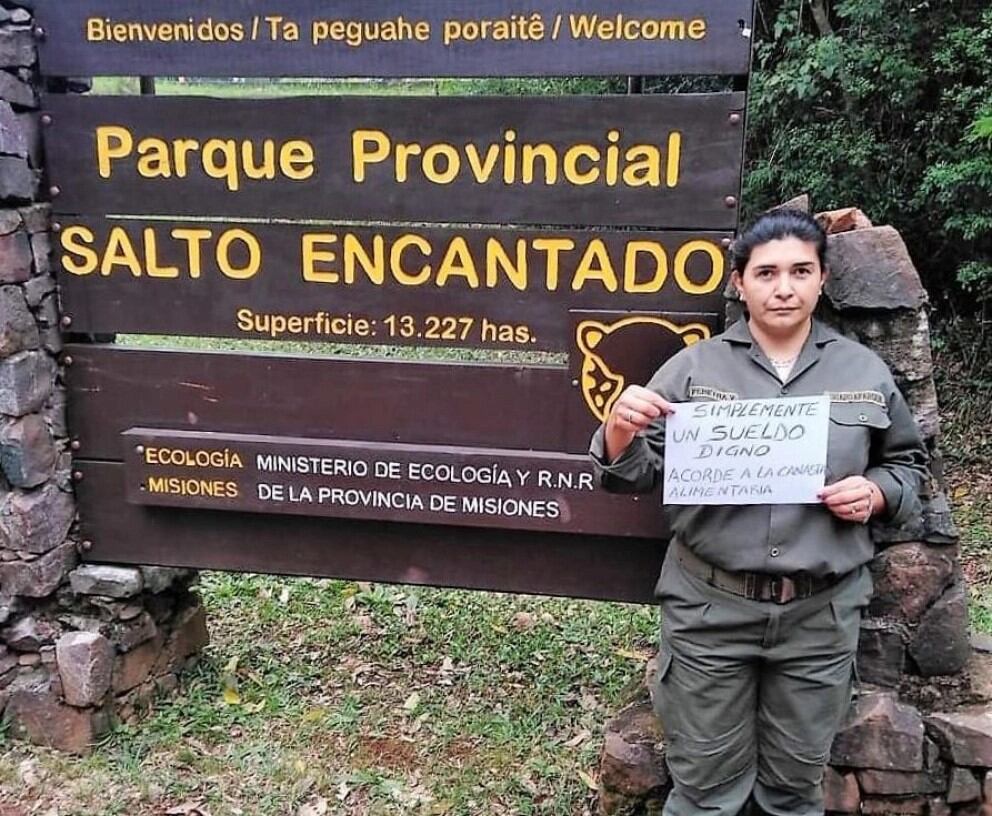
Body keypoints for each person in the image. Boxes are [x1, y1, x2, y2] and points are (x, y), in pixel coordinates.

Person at [589, 209, 928, 816]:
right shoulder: (694, 370)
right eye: (766, 272)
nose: (784, 286)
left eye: (801, 270)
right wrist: (618, 430)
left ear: (822, 279)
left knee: (794, 791)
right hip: (710, 611)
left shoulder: (864, 372)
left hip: (819, 617)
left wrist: (876, 493)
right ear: (740, 283)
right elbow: (635, 474)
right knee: (703, 792)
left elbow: (908, 467)